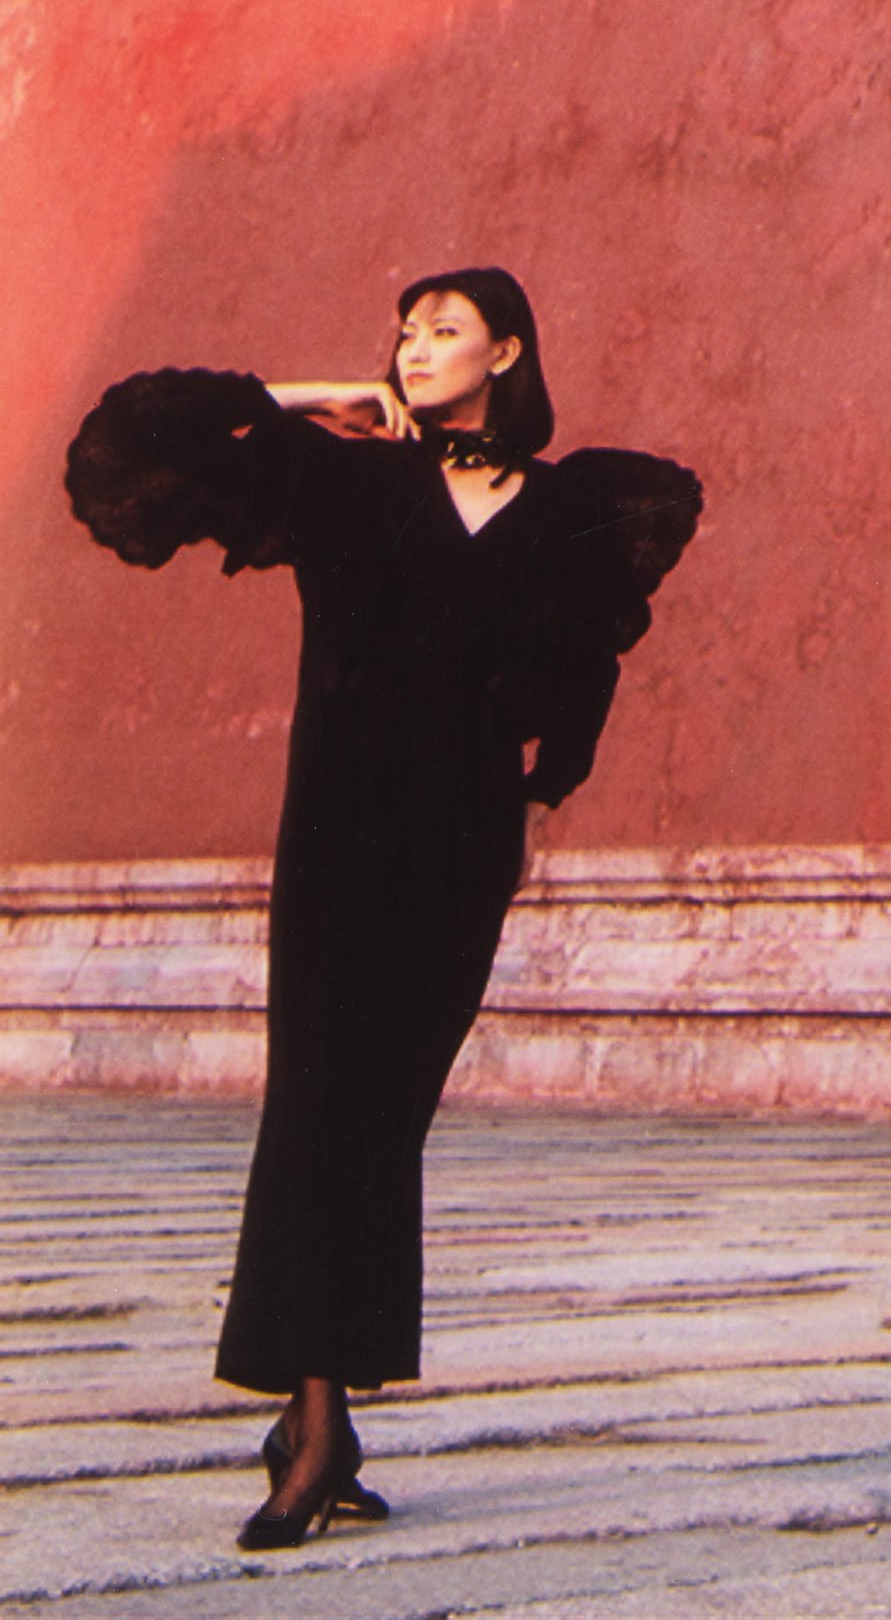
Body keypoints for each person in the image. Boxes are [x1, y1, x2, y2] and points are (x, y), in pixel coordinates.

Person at [63, 270, 701, 1550]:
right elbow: (133, 438)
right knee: (317, 1107)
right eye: (405, 331)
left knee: (384, 1120)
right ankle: (312, 1424)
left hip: (463, 847)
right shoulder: (343, 478)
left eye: (445, 329)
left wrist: (535, 797)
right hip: (340, 837)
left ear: (507, 350)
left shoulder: (573, 506)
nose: (415, 348)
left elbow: (584, 663)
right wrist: (304, 395)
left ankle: (324, 1412)